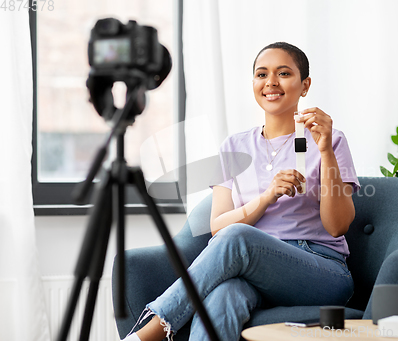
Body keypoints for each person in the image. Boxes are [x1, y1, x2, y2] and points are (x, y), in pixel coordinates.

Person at [122, 42, 360, 341]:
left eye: (283, 73)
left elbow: (338, 226)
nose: (271, 82)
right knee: (223, 296)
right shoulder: (233, 147)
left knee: (236, 236)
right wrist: (267, 197)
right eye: (262, 74)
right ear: (254, 85)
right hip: (250, 271)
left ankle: (149, 333)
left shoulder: (331, 140)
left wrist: (324, 151)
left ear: (305, 85)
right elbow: (217, 226)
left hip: (320, 270)